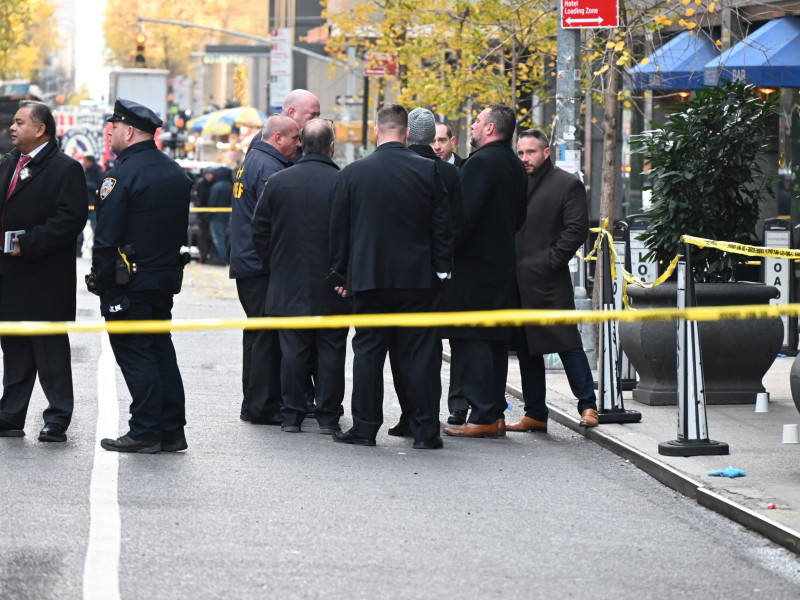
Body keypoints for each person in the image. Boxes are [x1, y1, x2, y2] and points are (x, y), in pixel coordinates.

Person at [329, 103, 452, 450]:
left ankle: (365, 427)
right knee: (420, 353)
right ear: (407, 132)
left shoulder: (351, 174)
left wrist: (340, 273)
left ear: (376, 130)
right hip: (417, 279)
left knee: (368, 351)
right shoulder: (429, 171)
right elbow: (442, 229)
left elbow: (339, 230)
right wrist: (442, 271)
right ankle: (426, 430)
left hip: (368, 278)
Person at [89, 98, 192, 453]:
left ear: (129, 131)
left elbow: (106, 239)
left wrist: (100, 282)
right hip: (163, 279)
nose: (110, 134)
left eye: (114, 128)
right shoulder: (175, 172)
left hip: (128, 282)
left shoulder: (122, 175)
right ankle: (171, 430)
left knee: (136, 354)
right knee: (161, 351)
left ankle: (146, 430)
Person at [251, 119, 349, 433]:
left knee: (292, 352)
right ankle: (328, 416)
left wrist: (273, 264)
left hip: (287, 281)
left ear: (301, 145)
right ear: (331, 147)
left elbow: (259, 230)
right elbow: (352, 234)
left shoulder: (278, 182)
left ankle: (292, 415)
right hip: (332, 283)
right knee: (331, 352)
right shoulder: (342, 182)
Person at [0, 100, 88, 442]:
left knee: (50, 351)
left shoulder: (65, 168)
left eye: (20, 122)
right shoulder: (9, 163)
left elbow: (71, 219)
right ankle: (10, 413)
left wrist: (31, 242)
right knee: (15, 349)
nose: (12, 127)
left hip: (44, 276)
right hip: (10, 274)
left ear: (40, 129)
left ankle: (57, 417)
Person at [442, 104, 527, 439]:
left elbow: (462, 218)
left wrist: (446, 251)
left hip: (473, 269)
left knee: (471, 339)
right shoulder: (514, 166)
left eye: (477, 121)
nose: (473, 126)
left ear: (490, 128)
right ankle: (494, 413)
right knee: (493, 340)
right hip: (502, 264)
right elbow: (519, 218)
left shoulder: (480, 163)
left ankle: (483, 414)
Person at [508, 129, 598, 431]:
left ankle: (588, 406)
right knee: (527, 349)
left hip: (548, 281)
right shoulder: (515, 183)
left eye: (530, 152)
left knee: (566, 342)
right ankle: (535, 413)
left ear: (546, 152)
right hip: (518, 281)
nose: (524, 158)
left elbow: (576, 229)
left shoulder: (567, 183)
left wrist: (550, 261)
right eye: (520, 152)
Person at [386, 107, 462, 438]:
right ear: (433, 137)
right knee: (427, 351)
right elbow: (454, 226)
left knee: (400, 351)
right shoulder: (446, 173)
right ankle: (426, 419)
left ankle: (408, 414)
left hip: (392, 275)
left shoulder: (392, 168)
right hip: (432, 276)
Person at [230, 114, 300, 424]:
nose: (299, 144)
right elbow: (270, 224)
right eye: (295, 138)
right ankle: (261, 405)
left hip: (249, 263)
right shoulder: (269, 168)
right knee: (264, 337)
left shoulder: (255, 159)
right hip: (259, 266)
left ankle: (255, 402)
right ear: (278, 138)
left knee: (258, 333)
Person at [77, 154, 104, 255]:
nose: (84, 164)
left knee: (96, 229)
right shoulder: (85, 171)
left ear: (91, 162)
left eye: (86, 162)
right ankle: (78, 250)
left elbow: (100, 185)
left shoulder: (98, 172)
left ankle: (96, 250)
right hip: (84, 205)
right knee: (79, 230)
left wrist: (86, 184)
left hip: (93, 206)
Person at [207, 166, 232, 264]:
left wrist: (208, 214)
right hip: (225, 216)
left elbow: (212, 201)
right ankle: (220, 256)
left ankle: (221, 258)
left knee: (218, 237)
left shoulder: (217, 186)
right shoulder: (230, 186)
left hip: (216, 216)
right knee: (222, 236)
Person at [191, 168, 215, 263]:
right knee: (202, 236)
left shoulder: (215, 184)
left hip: (213, 214)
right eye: (207, 174)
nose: (208, 176)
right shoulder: (201, 184)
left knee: (212, 236)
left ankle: (211, 255)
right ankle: (203, 255)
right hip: (202, 214)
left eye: (210, 174)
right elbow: (197, 197)